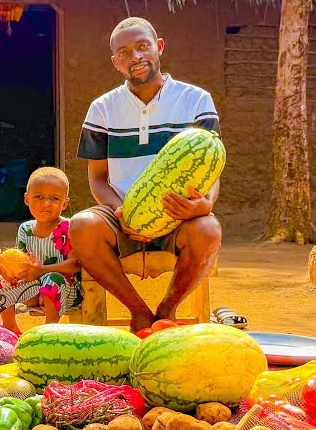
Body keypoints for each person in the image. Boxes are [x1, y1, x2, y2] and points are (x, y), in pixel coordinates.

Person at [69, 17, 223, 332]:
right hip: (122, 216)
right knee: (82, 226)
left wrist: (204, 204)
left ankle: (167, 310)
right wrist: (119, 210)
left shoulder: (195, 100)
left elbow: (211, 164)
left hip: (180, 217)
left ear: (159, 47)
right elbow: (98, 177)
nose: (136, 57)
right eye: (124, 52)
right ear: (116, 63)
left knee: (208, 229)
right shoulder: (102, 108)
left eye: (143, 46)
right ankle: (139, 311)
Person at [0, 167, 82, 332]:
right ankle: (11, 329)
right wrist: (10, 273)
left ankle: (49, 329)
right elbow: (21, 263)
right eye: (38, 196)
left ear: (65, 204)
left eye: (54, 198)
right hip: (34, 291)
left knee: (52, 278)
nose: (46, 203)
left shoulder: (68, 227)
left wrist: (42, 270)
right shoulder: (25, 229)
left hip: (65, 292)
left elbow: (75, 264)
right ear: (27, 199)